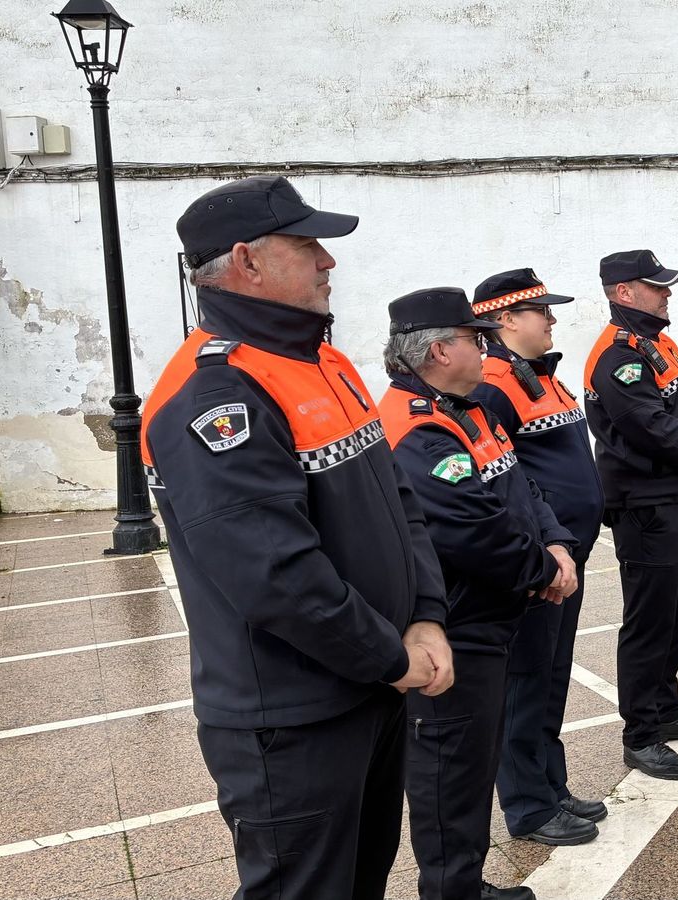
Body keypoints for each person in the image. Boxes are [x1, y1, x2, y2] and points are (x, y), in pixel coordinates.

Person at [142, 175, 453, 900]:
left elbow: (398, 501)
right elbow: (274, 575)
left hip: (370, 687)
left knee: (360, 881)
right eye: (307, 245)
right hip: (293, 718)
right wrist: (390, 653)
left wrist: (426, 615)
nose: (328, 261)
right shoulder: (216, 395)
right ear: (247, 261)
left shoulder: (322, 361)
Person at [379, 287, 577, 900]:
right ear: (440, 350)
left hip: (489, 616)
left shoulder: (469, 410)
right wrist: (541, 571)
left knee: (472, 760)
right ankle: (451, 889)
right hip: (456, 623)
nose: (486, 348)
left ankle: (464, 881)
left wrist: (556, 544)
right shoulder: (416, 428)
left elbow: (522, 489)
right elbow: (471, 527)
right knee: (450, 768)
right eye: (475, 339)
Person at [469, 269, 609, 846]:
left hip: (566, 554)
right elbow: (502, 481)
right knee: (526, 680)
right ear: (506, 320)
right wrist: (539, 552)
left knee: (551, 676)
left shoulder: (539, 377)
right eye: (541, 311)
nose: (552, 319)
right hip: (539, 561)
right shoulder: (491, 384)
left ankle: (550, 784)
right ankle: (527, 806)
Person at [585, 249, 678, 781]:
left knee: (674, 614)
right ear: (624, 292)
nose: (667, 292)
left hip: (676, 495)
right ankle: (641, 734)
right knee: (648, 622)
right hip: (645, 504)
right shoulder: (618, 355)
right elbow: (649, 425)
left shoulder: (659, 344)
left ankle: (665, 709)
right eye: (657, 286)